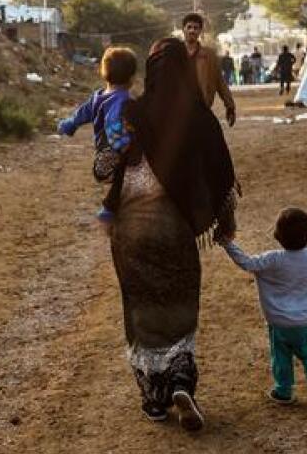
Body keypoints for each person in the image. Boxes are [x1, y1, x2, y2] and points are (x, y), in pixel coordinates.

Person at [108, 37, 238, 430]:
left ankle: (154, 399)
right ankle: (181, 378)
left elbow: (109, 164)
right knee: (179, 302)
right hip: (173, 226)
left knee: (141, 306)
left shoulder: (132, 110)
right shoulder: (200, 117)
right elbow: (221, 174)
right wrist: (224, 221)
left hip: (129, 228)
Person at [218, 208, 307, 410]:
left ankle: (283, 391)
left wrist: (227, 243)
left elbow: (247, 262)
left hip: (279, 324)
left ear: (278, 235)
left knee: (281, 358)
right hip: (306, 323)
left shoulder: (273, 259)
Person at [57, 46, 137, 224]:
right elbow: (114, 125)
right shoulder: (124, 100)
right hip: (112, 161)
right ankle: (109, 207)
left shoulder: (97, 97)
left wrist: (67, 126)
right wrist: (124, 144)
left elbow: (79, 115)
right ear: (132, 78)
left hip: (101, 158)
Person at [181, 13, 237, 126]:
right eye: (189, 27)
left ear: (200, 31)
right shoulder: (174, 54)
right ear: (184, 29)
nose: (192, 31)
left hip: (202, 109)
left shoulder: (209, 56)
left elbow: (220, 82)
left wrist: (230, 106)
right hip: (179, 111)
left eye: (195, 28)